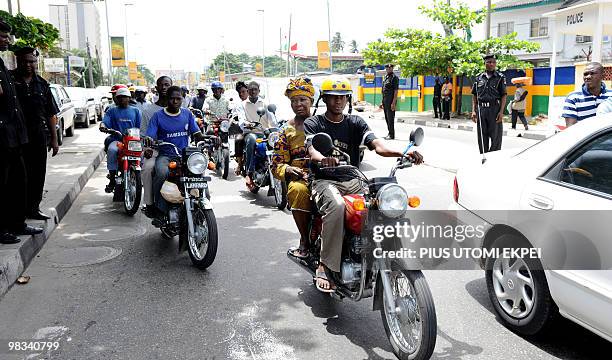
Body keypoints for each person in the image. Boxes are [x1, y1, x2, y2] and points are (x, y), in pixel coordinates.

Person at [304, 77, 423, 292]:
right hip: (324, 179)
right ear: (325, 99)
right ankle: (325, 265)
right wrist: (323, 159)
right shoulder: (314, 123)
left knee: (382, 203)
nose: (338, 102)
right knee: (338, 207)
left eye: (343, 97)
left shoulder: (355, 122)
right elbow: (312, 149)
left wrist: (403, 152)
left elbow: (377, 145)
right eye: (333, 97)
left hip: (353, 179)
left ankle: (379, 252)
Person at [0, 20, 43, 243]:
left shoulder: (1, 65)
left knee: (19, 181)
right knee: (5, 184)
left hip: (15, 136)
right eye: (4, 35)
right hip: (3, 136)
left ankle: (17, 223)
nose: (7, 40)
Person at [12, 47, 60, 221]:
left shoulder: (42, 84)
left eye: (32, 61)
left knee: (38, 174)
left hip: (38, 135)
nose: (28, 65)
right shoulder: (10, 81)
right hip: (15, 137)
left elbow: (50, 114)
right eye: (24, 61)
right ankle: (18, 212)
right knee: (18, 177)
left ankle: (33, 208)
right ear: (18, 61)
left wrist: (54, 140)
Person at [145, 86, 206, 216]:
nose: (175, 101)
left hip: (185, 155)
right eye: (172, 98)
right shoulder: (158, 116)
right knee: (161, 172)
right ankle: (159, 207)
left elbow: (197, 133)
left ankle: (203, 200)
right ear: (167, 99)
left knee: (199, 171)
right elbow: (150, 135)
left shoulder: (187, 114)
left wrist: (210, 138)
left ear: (182, 99)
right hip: (166, 155)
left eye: (178, 99)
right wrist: (149, 141)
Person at [272, 77, 313, 258]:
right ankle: (305, 240)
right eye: (294, 101)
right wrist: (287, 170)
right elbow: (276, 164)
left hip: (328, 176)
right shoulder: (285, 131)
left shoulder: (322, 123)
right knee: (297, 190)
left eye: (302, 100)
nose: (298, 104)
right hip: (301, 178)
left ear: (311, 100)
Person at [100, 87, 141, 193]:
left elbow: (140, 127)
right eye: (120, 97)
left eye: (125, 97)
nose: (122, 99)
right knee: (112, 150)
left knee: (143, 154)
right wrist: (103, 126)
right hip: (117, 140)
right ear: (117, 98)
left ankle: (140, 176)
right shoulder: (112, 111)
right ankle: (112, 179)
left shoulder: (136, 111)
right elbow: (105, 121)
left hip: (132, 141)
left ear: (129, 98)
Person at [141, 75, 172, 218]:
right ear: (156, 88)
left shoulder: (182, 110)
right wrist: (147, 148)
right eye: (162, 85)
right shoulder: (149, 111)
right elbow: (143, 135)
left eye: (167, 84)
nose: (164, 87)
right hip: (155, 151)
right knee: (148, 168)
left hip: (175, 150)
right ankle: (150, 203)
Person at [236, 81, 276, 188]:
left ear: (259, 91)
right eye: (251, 90)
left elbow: (272, 118)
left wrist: (275, 126)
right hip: (250, 132)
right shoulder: (242, 105)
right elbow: (241, 119)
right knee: (252, 140)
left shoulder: (265, 103)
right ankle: (249, 172)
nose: (253, 91)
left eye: (255, 89)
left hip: (265, 132)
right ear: (248, 91)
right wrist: (247, 123)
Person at [471, 54, 507, 153]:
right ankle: (483, 157)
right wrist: (473, 111)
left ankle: (494, 158)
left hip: (494, 109)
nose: (491, 64)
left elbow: (504, 95)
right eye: (489, 62)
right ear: (485, 63)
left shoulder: (500, 77)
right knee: (482, 137)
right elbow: (474, 94)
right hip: (481, 110)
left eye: (493, 62)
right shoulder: (478, 78)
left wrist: (501, 112)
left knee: (496, 137)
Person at [380, 63, 399, 139]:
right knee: (387, 118)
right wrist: (382, 102)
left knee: (390, 118)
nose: (388, 69)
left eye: (390, 68)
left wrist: (393, 103)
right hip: (385, 100)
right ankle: (389, 133)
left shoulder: (394, 78)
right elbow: (383, 90)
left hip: (391, 100)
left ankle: (392, 135)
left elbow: (396, 91)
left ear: (392, 69)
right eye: (387, 68)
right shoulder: (385, 77)